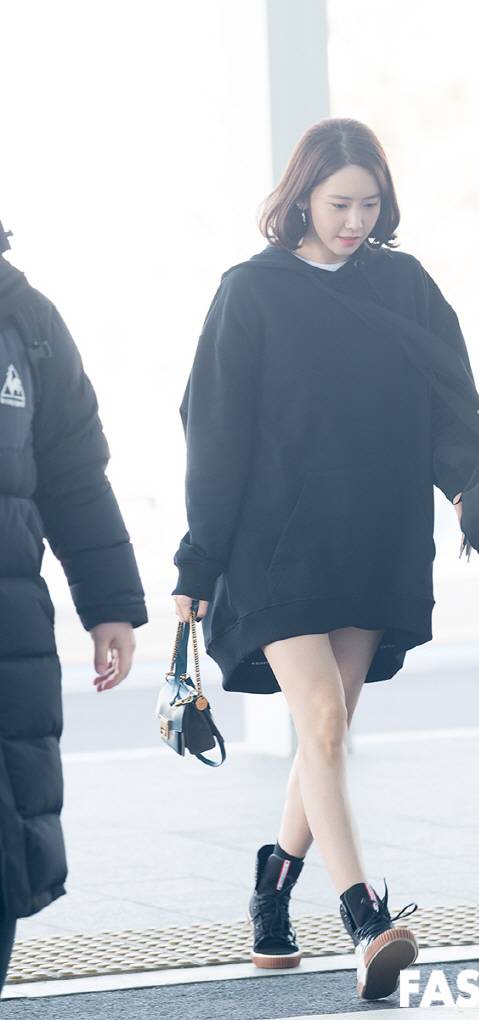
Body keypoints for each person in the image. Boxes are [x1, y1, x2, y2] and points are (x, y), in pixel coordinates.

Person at [172, 118, 479, 1002]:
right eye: (340, 204)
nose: (355, 221)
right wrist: (196, 563)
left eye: (370, 204)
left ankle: (273, 887)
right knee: (324, 720)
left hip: (374, 535)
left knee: (326, 732)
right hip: (275, 545)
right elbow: (214, 433)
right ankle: (366, 919)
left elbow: (450, 399)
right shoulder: (250, 292)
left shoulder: (403, 285)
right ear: (302, 196)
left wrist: (470, 495)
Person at [0, 222, 147, 994]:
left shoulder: (27, 321)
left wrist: (110, 602)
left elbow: (74, 473)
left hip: (8, 632)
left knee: (3, 849)